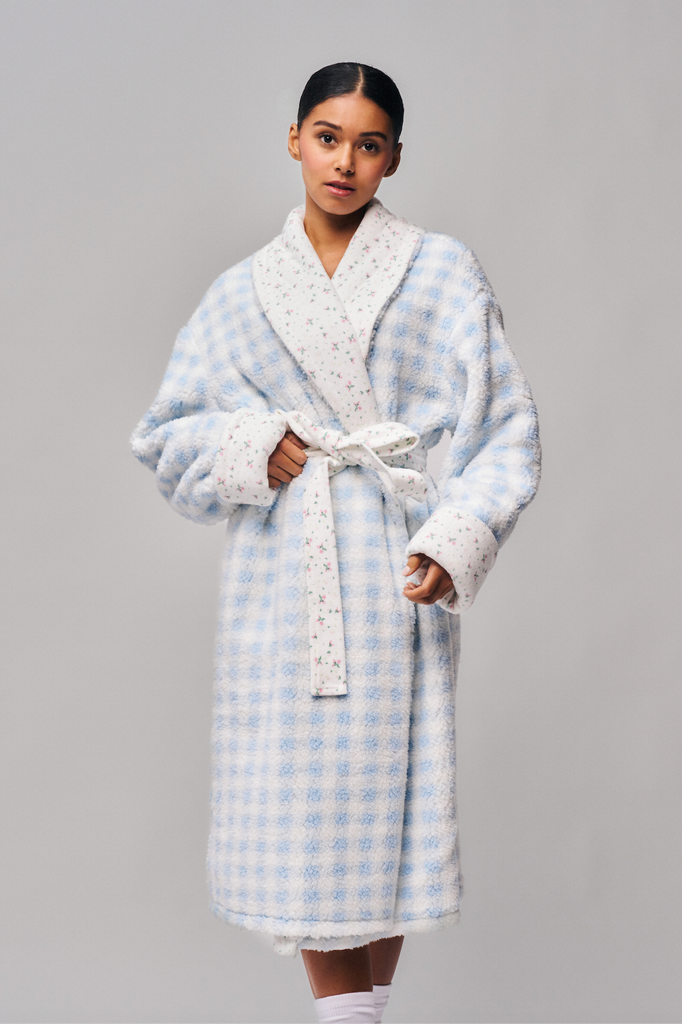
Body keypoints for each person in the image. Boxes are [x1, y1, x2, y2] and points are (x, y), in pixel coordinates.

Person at [131, 62, 541, 1024]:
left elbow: (503, 426)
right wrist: (249, 446)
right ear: (294, 140)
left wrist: (455, 536)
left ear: (394, 157)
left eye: (368, 144)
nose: (344, 161)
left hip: (396, 561)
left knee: (382, 809)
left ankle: (364, 1018)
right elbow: (165, 434)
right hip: (287, 579)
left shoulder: (441, 270)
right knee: (307, 813)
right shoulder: (239, 293)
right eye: (327, 137)